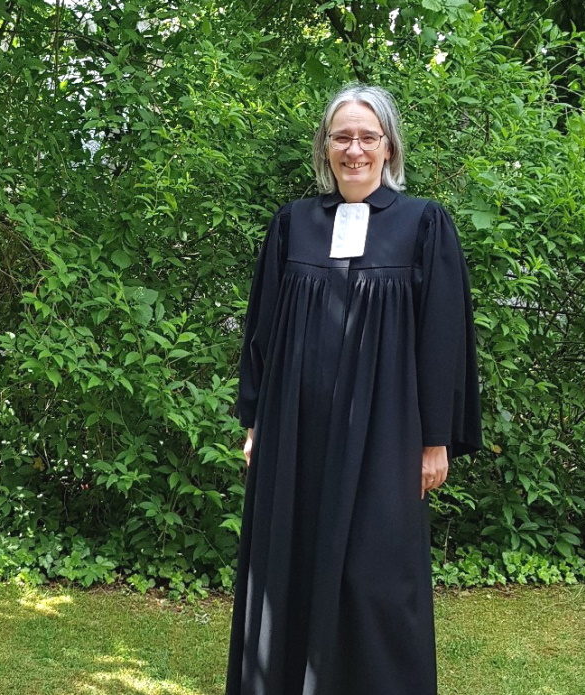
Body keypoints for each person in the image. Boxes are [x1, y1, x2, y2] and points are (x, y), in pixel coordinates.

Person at [225, 85, 482, 695]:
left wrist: (435, 441)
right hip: (296, 429)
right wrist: (257, 420)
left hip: (386, 434)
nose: (355, 149)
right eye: (343, 136)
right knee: (289, 565)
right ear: (325, 146)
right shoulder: (292, 224)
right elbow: (263, 329)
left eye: (368, 136)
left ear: (389, 146)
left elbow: (442, 338)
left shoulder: (424, 224)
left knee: (376, 578)